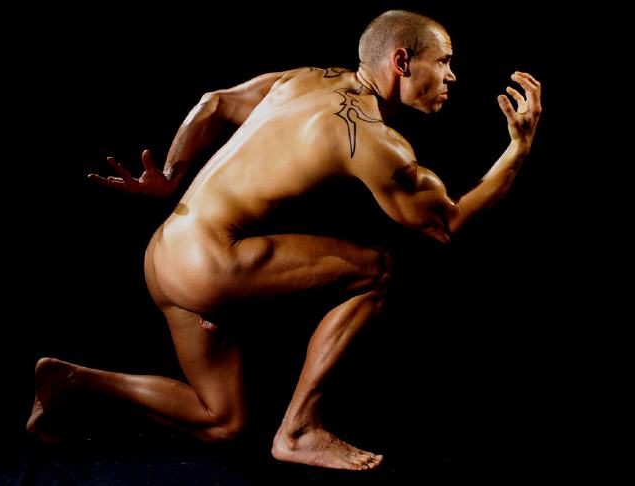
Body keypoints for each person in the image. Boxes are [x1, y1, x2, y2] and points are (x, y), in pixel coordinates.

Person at [27, 10, 541, 471]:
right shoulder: (370, 138)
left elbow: (214, 103)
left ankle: (70, 382)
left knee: (222, 421)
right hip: (211, 263)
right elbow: (446, 225)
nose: (451, 76)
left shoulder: (305, 80)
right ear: (402, 61)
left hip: (165, 250)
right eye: (444, 61)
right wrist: (517, 149)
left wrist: (171, 174)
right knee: (379, 271)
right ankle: (298, 429)